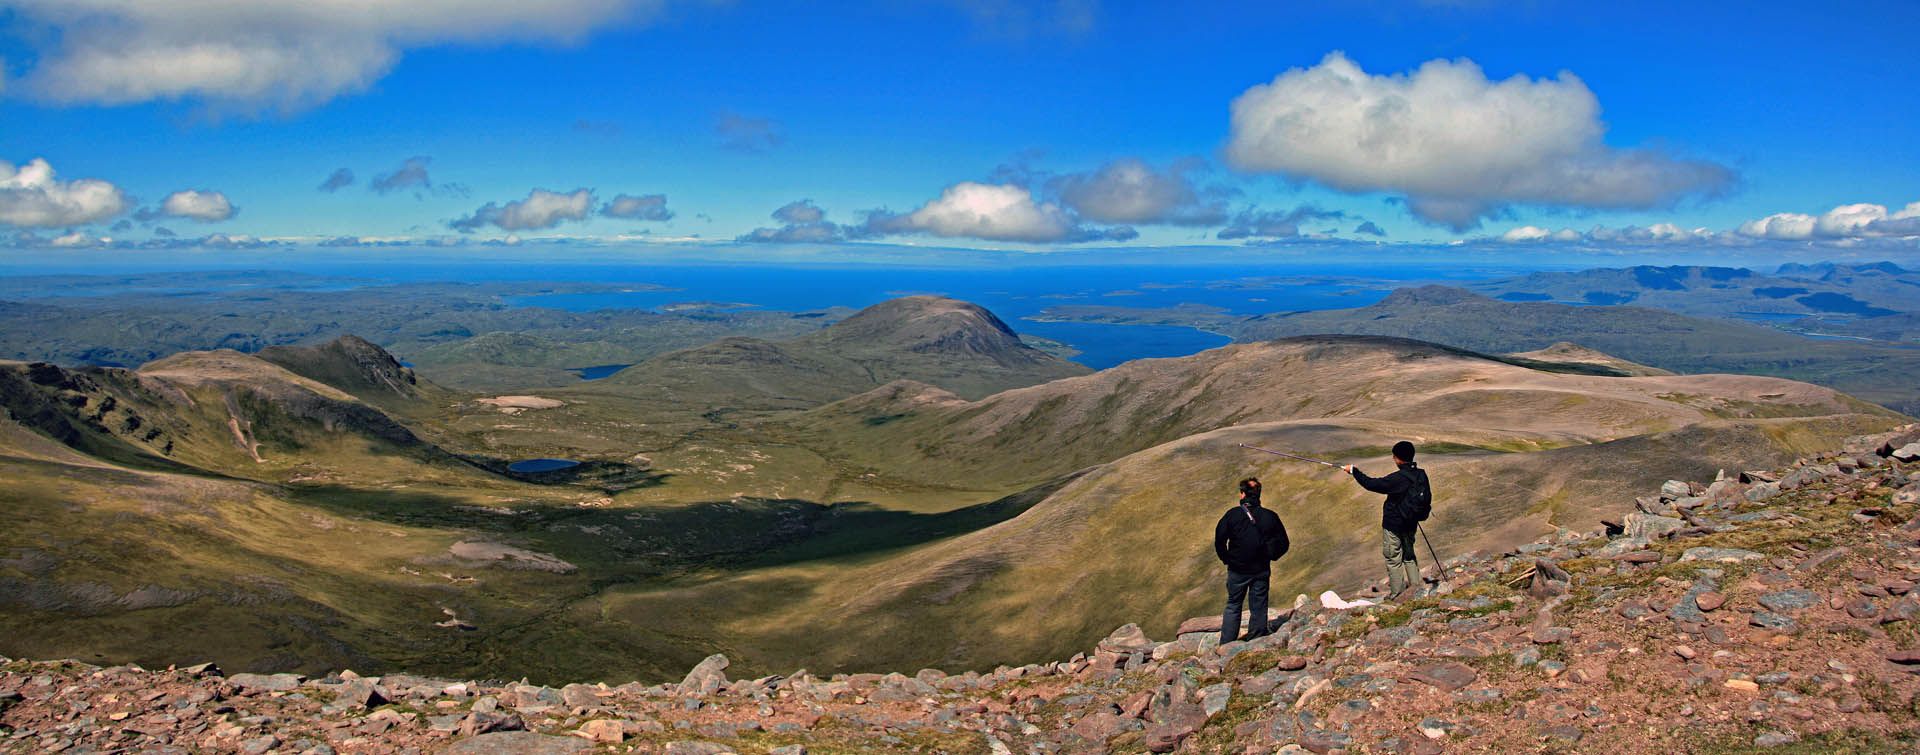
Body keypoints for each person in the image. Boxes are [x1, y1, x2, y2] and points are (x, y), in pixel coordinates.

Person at [1342, 441, 1430, 601]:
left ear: (1398, 459)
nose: (1393, 458)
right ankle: (1417, 590)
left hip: (1394, 525)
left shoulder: (1398, 478)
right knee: (1409, 555)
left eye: (1394, 456)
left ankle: (1397, 594)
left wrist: (1354, 471)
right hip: (1411, 522)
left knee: (1393, 557)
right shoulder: (1421, 474)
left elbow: (1371, 484)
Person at [1213, 477, 1289, 644]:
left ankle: (1226, 644)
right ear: (1259, 494)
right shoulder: (1270, 516)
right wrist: (1272, 556)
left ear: (1242, 494)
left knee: (1233, 605)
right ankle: (1257, 641)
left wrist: (1227, 559)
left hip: (1237, 569)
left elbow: (1219, 540)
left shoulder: (1232, 515)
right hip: (1261, 568)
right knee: (1259, 606)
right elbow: (1284, 543)